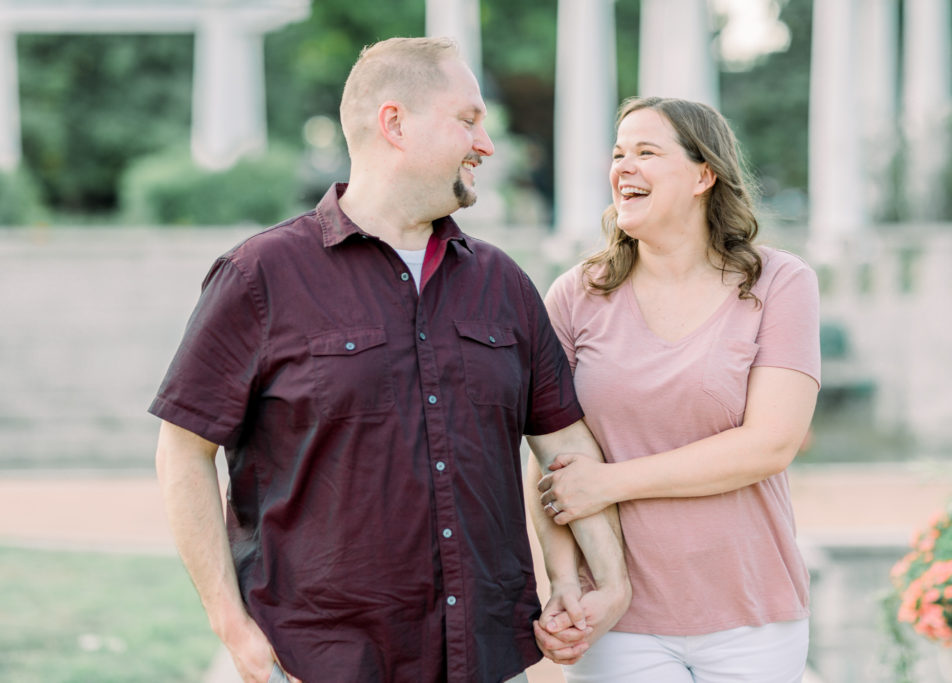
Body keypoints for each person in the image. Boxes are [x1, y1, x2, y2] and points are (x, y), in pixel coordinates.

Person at [150, 37, 628, 683]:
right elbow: (183, 449)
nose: (485, 144)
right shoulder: (260, 275)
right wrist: (230, 623)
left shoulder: (503, 282)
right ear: (394, 123)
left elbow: (563, 442)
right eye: (468, 119)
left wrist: (605, 580)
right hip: (319, 660)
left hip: (484, 655)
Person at [530, 96, 821, 682]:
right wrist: (564, 585)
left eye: (646, 152)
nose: (623, 167)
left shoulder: (780, 283)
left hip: (751, 615)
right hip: (616, 622)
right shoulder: (574, 296)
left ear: (703, 174)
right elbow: (548, 460)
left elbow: (769, 445)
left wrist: (611, 482)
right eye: (618, 153)